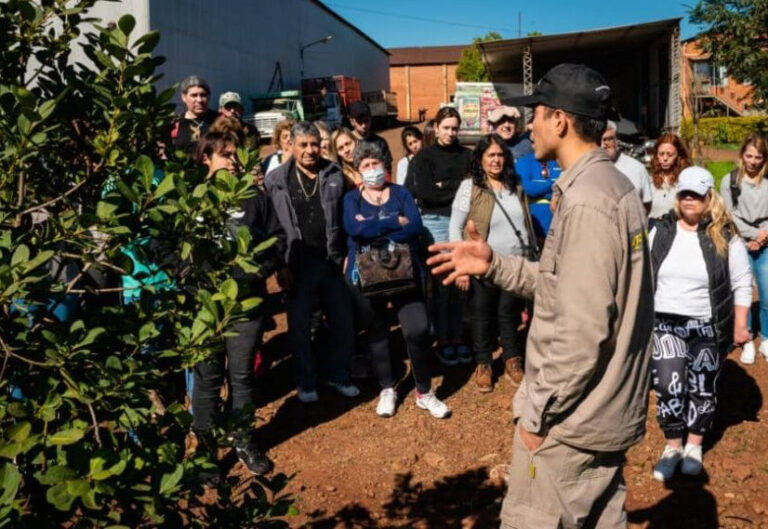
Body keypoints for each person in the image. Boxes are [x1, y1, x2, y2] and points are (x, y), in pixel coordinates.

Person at [427, 63, 653, 528]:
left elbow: (582, 329)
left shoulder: (589, 201)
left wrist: (537, 416)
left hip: (570, 425)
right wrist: (493, 264)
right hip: (601, 414)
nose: (528, 124)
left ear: (561, 121)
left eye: (537, 114)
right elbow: (563, 286)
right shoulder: (611, 185)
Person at [192, 130, 286, 476]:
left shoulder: (255, 198)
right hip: (205, 305)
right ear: (206, 158)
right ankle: (204, 452)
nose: (233, 161)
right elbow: (169, 246)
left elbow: (278, 239)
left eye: (235, 155)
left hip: (246, 303)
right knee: (206, 379)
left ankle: (244, 438)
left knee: (242, 376)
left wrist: (258, 271)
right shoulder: (194, 199)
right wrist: (191, 276)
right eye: (225, 155)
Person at [649, 167, 751, 481]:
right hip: (665, 322)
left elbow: (742, 281)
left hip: (706, 324)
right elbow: (641, 275)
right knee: (667, 386)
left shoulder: (724, 235)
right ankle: (673, 445)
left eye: (696, 193)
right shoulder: (661, 231)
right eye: (684, 193)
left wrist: (740, 325)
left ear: (709, 198)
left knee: (703, 387)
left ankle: (694, 444)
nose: (689, 199)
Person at [343, 141, 450, 419]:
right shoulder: (351, 199)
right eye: (365, 165)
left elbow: (414, 226)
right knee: (377, 332)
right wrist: (393, 222)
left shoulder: (401, 193)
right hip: (367, 275)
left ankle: (424, 391)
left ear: (384, 165)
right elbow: (353, 228)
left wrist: (374, 228)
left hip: (405, 271)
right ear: (358, 171)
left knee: (417, 328)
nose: (371, 169)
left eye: (374, 163)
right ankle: (387, 387)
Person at [265, 121, 358, 403]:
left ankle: (338, 374)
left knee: (342, 322)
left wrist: (346, 256)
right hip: (297, 263)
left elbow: (345, 219)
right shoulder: (276, 180)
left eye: (314, 144)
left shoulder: (334, 175)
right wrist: (280, 265)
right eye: (303, 145)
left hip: (331, 260)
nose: (309, 150)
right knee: (300, 326)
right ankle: (306, 381)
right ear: (290, 146)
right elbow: (272, 228)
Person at [449, 134, 536, 391]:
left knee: (509, 314)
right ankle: (484, 362)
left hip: (513, 262)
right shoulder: (470, 187)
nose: (496, 160)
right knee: (482, 315)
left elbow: (525, 221)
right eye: (491, 155)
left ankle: (512, 359)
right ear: (481, 159)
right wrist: (460, 264)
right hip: (482, 264)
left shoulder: (514, 183)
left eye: (500, 155)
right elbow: (455, 225)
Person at [408, 106, 472, 365]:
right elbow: (426, 194)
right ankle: (443, 339)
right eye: (446, 127)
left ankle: (456, 336)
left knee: (460, 283)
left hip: (463, 222)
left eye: (455, 128)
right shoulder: (424, 157)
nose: (450, 133)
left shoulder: (467, 156)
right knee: (442, 284)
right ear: (436, 127)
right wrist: (457, 188)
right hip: (434, 222)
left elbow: (472, 188)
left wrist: (445, 186)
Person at [720, 133, 768, 364]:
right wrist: (752, 236)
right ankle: (747, 338)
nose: (753, 161)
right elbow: (728, 215)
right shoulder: (730, 182)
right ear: (742, 156)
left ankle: (766, 338)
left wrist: (762, 236)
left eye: (758, 157)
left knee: (767, 294)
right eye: (749, 156)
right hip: (741, 243)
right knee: (744, 294)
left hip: (765, 242)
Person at [601, 120, 652, 213]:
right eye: (599, 140)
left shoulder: (637, 169)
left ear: (617, 140)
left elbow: (647, 204)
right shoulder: (588, 169)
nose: (604, 145)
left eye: (608, 139)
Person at [515, 150, 561, 244]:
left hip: (560, 220)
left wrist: (541, 187)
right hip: (536, 221)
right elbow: (528, 188)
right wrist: (556, 185)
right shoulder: (524, 161)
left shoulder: (559, 160)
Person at [649, 133, 691, 224]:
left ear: (678, 155)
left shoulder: (686, 181)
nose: (665, 158)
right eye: (661, 154)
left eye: (670, 154)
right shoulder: (649, 181)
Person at [171, 75, 218, 155]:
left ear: (209, 96)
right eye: (194, 95)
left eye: (203, 95)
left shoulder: (220, 120)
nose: (199, 100)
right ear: (184, 97)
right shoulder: (175, 124)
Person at [348, 101, 393, 173]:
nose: (364, 125)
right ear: (352, 121)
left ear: (371, 119)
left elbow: (387, 168)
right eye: (359, 121)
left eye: (366, 120)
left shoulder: (380, 142)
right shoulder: (347, 144)